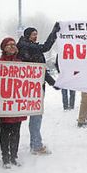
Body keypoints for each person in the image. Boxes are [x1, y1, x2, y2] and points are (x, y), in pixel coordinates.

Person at [16, 24, 60, 155]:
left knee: (35, 116)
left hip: (33, 85)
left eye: (36, 34)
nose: (36, 36)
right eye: (34, 34)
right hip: (32, 87)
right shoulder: (27, 46)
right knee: (36, 115)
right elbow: (45, 48)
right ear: (27, 35)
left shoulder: (27, 46)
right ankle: (36, 145)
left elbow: (40, 70)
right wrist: (54, 33)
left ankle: (34, 143)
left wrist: (52, 82)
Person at [0, 37, 27, 168]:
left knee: (16, 131)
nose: (12, 46)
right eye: (8, 45)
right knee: (4, 132)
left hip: (17, 104)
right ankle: (5, 156)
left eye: (13, 44)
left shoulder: (21, 63)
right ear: (3, 48)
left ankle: (14, 155)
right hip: (4, 105)